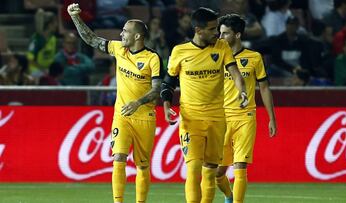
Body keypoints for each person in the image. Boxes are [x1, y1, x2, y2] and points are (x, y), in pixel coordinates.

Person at [67, 3, 163, 203]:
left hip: (144, 116)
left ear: (137, 36)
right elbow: (92, 40)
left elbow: (156, 90)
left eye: (125, 31)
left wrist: (138, 102)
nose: (121, 34)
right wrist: (75, 17)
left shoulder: (152, 58)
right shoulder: (119, 49)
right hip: (122, 115)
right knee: (118, 158)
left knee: (143, 166)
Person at [160, 7, 248, 203]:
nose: (217, 33)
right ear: (198, 30)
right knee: (193, 169)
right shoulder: (179, 52)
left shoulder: (222, 47)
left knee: (210, 172)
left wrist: (242, 90)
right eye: (212, 29)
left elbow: (235, 73)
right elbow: (168, 83)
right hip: (191, 119)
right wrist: (166, 107)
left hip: (217, 118)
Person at [216, 14, 277, 203]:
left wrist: (271, 118)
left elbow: (264, 88)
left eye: (225, 34)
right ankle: (229, 195)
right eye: (220, 33)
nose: (220, 38)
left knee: (240, 165)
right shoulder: (214, 57)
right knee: (218, 173)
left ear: (238, 35)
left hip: (245, 116)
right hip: (220, 118)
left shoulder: (254, 58)